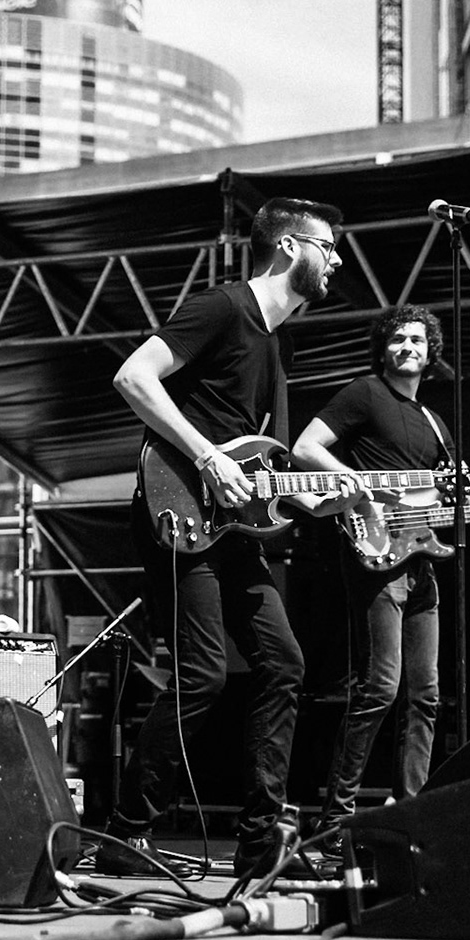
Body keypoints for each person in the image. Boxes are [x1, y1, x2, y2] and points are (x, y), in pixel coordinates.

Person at [94, 197, 356, 881]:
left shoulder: (280, 344)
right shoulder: (222, 307)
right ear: (290, 247)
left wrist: (328, 499)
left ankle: (261, 840)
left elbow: (269, 474)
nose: (337, 260)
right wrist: (208, 456)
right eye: (328, 247)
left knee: (285, 664)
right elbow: (132, 376)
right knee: (203, 676)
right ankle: (127, 831)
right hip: (178, 515)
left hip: (236, 530)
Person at [292, 303, 470, 854]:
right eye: (397, 338)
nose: (407, 347)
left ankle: (412, 813)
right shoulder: (364, 393)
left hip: (422, 566)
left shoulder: (436, 425)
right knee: (380, 687)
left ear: (431, 353)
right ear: (383, 348)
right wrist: (364, 489)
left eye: (417, 340)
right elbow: (306, 448)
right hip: (376, 556)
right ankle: (335, 821)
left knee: (425, 694)